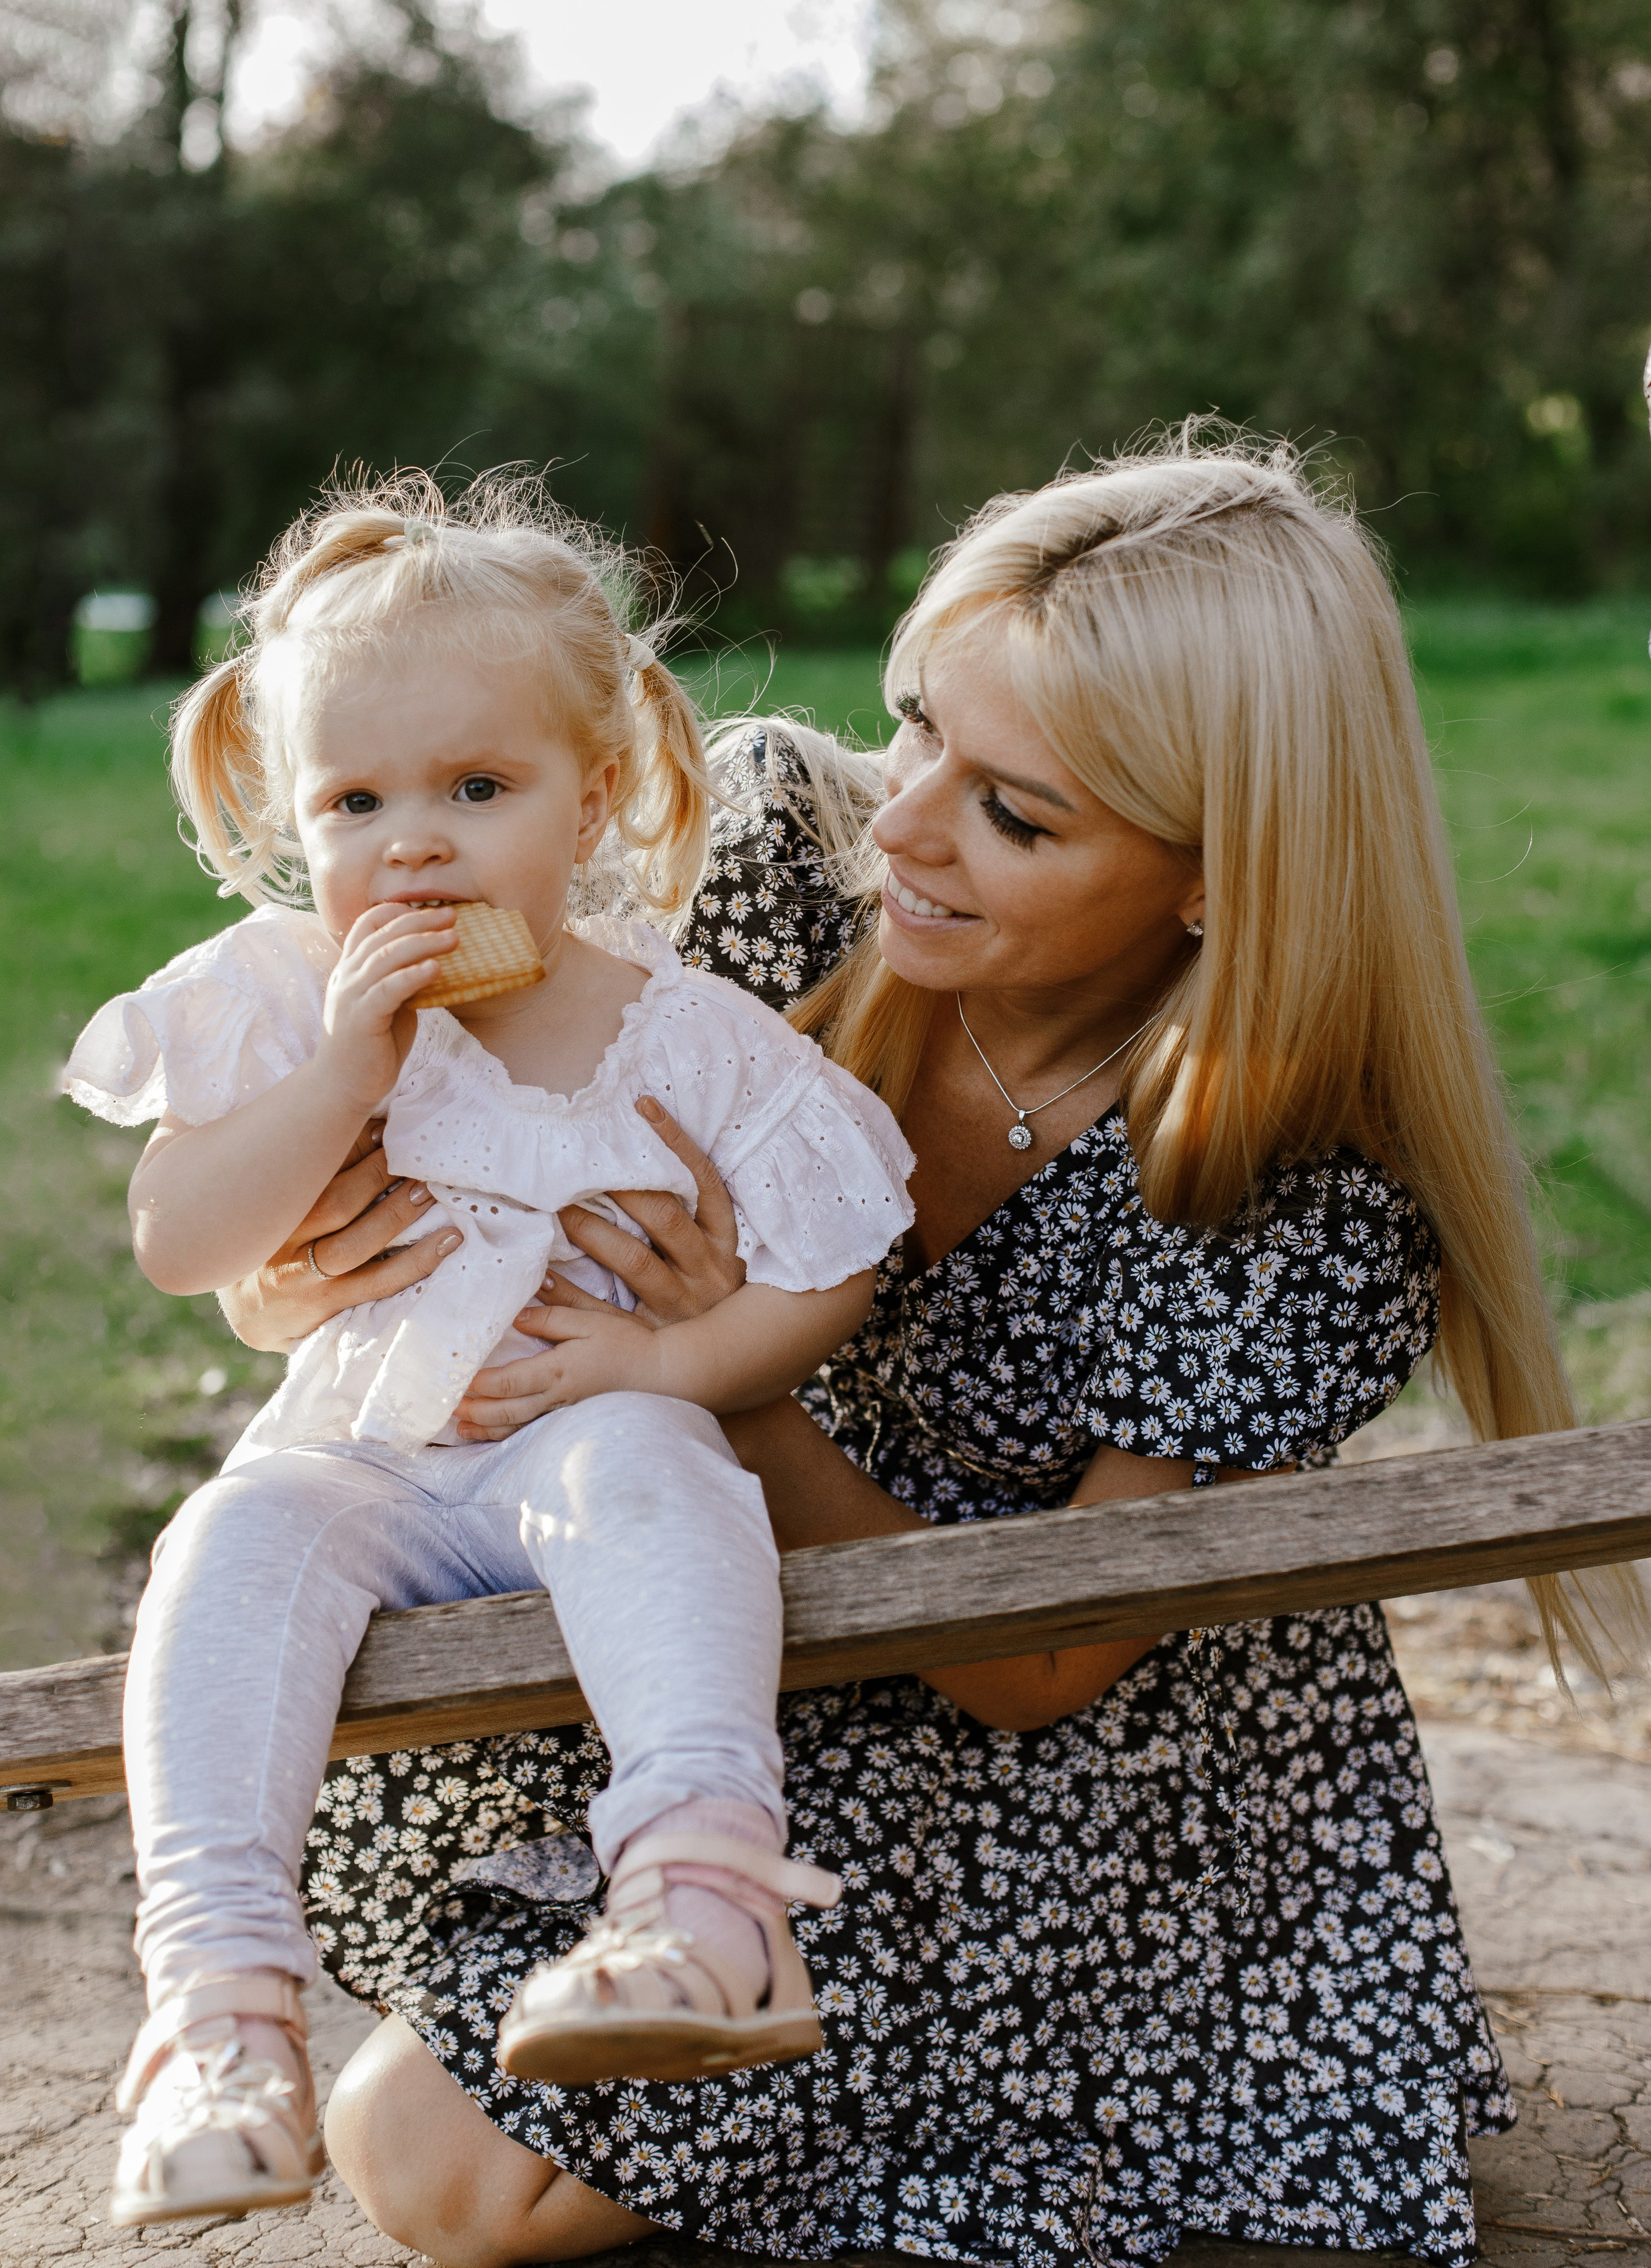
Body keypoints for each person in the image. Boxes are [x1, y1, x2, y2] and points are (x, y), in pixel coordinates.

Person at [223, 437, 1635, 2268]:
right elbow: (409, 1129)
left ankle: (1099, 2067)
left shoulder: (1295, 1191)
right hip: (733, 1644)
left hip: (1083, 1792)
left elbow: (1043, 1666)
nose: (900, 822)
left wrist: (729, 1380)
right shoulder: (759, 878)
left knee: (434, 2163)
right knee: (428, 2141)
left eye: (1017, 816)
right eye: (916, 727)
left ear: (1220, 879)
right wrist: (296, 1276)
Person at [61, 479, 915, 2228]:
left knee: (657, 1478)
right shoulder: (288, 995)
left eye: (476, 788)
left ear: (590, 796)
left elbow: (841, 1261)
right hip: (359, 1455)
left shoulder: (684, 1033)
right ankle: (219, 2015)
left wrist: (672, 1370)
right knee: (225, 1538)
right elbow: (180, 1242)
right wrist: (341, 1076)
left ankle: (702, 1899)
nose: (416, 843)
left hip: (571, 1434)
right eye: (356, 801)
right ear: (296, 823)